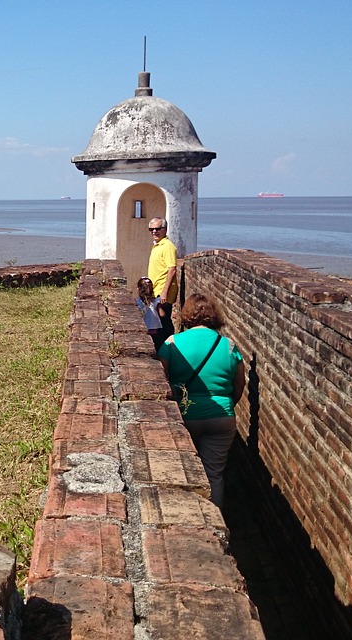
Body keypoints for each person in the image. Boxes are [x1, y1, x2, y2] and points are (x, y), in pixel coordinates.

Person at [157, 293, 245, 507]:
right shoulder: (230, 346)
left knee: (181, 469)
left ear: (188, 315)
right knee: (214, 475)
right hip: (221, 416)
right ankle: (216, 522)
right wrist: (227, 404)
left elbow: (160, 379)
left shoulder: (171, 343)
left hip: (184, 415)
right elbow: (239, 384)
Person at [146, 217, 178, 348]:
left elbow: (172, 269)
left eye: (157, 229)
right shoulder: (157, 245)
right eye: (151, 229)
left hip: (162, 291)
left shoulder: (168, 247)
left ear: (164, 230)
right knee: (157, 322)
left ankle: (169, 349)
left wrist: (164, 292)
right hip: (156, 290)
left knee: (163, 322)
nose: (154, 231)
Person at [135, 277, 161, 344]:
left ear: (138, 289)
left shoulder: (137, 302)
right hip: (155, 329)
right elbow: (162, 314)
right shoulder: (156, 301)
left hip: (144, 328)